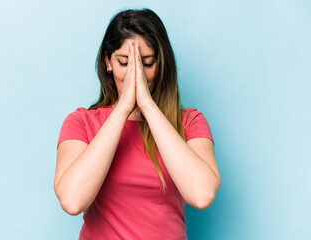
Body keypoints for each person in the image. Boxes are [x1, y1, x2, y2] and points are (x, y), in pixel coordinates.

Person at [54, 8, 221, 240]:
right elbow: (72, 201)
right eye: (124, 62)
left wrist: (147, 106)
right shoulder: (81, 123)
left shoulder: (189, 123)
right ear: (107, 62)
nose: (136, 74)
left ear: (161, 64)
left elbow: (202, 195)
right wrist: (123, 108)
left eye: (147, 63)